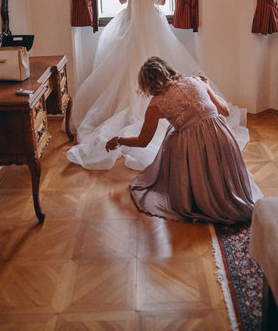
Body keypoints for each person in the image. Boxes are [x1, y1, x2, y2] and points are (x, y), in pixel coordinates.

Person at [66, 0, 249, 171]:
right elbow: (161, 2)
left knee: (125, 68)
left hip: (132, 23)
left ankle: (128, 105)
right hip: (153, 23)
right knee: (161, 58)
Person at [106, 57, 262, 224]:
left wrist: (118, 140)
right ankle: (226, 191)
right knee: (172, 132)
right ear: (168, 70)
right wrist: (207, 86)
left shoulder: (156, 104)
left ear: (147, 84)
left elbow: (143, 141)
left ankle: (202, 194)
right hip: (223, 137)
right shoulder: (195, 81)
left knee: (174, 137)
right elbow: (225, 111)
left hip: (196, 148)